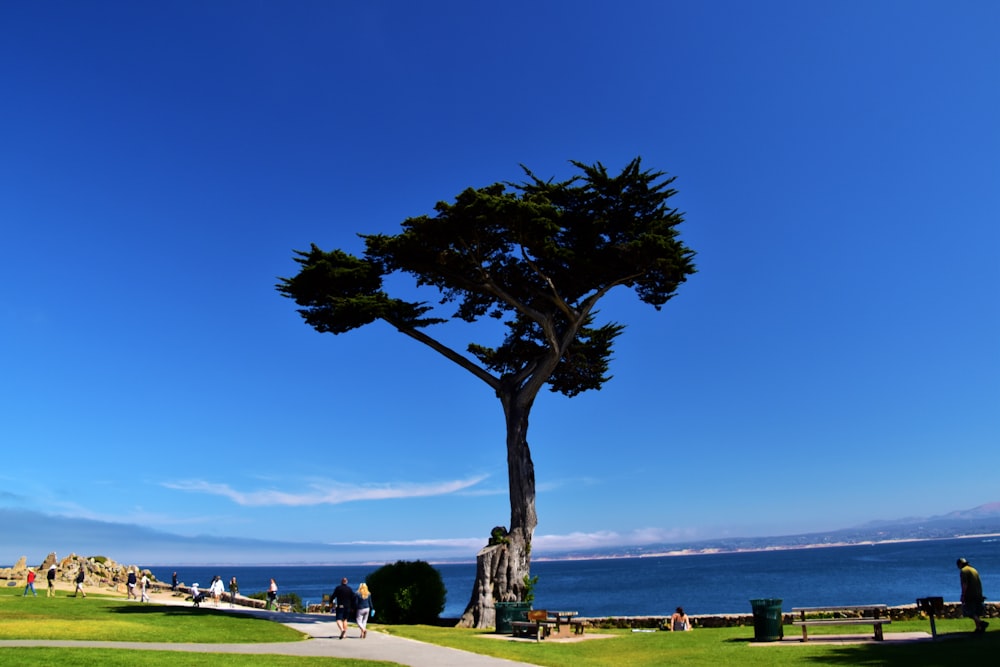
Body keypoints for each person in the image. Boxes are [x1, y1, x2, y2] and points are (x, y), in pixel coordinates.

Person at [957, 558, 989, 633]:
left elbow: (965, 584)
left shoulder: (964, 571)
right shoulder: (974, 569)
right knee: (976, 612)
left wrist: (963, 595)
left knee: (968, 611)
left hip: (970, 594)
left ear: (960, 564)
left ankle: (981, 623)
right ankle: (979, 628)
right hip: (978, 593)